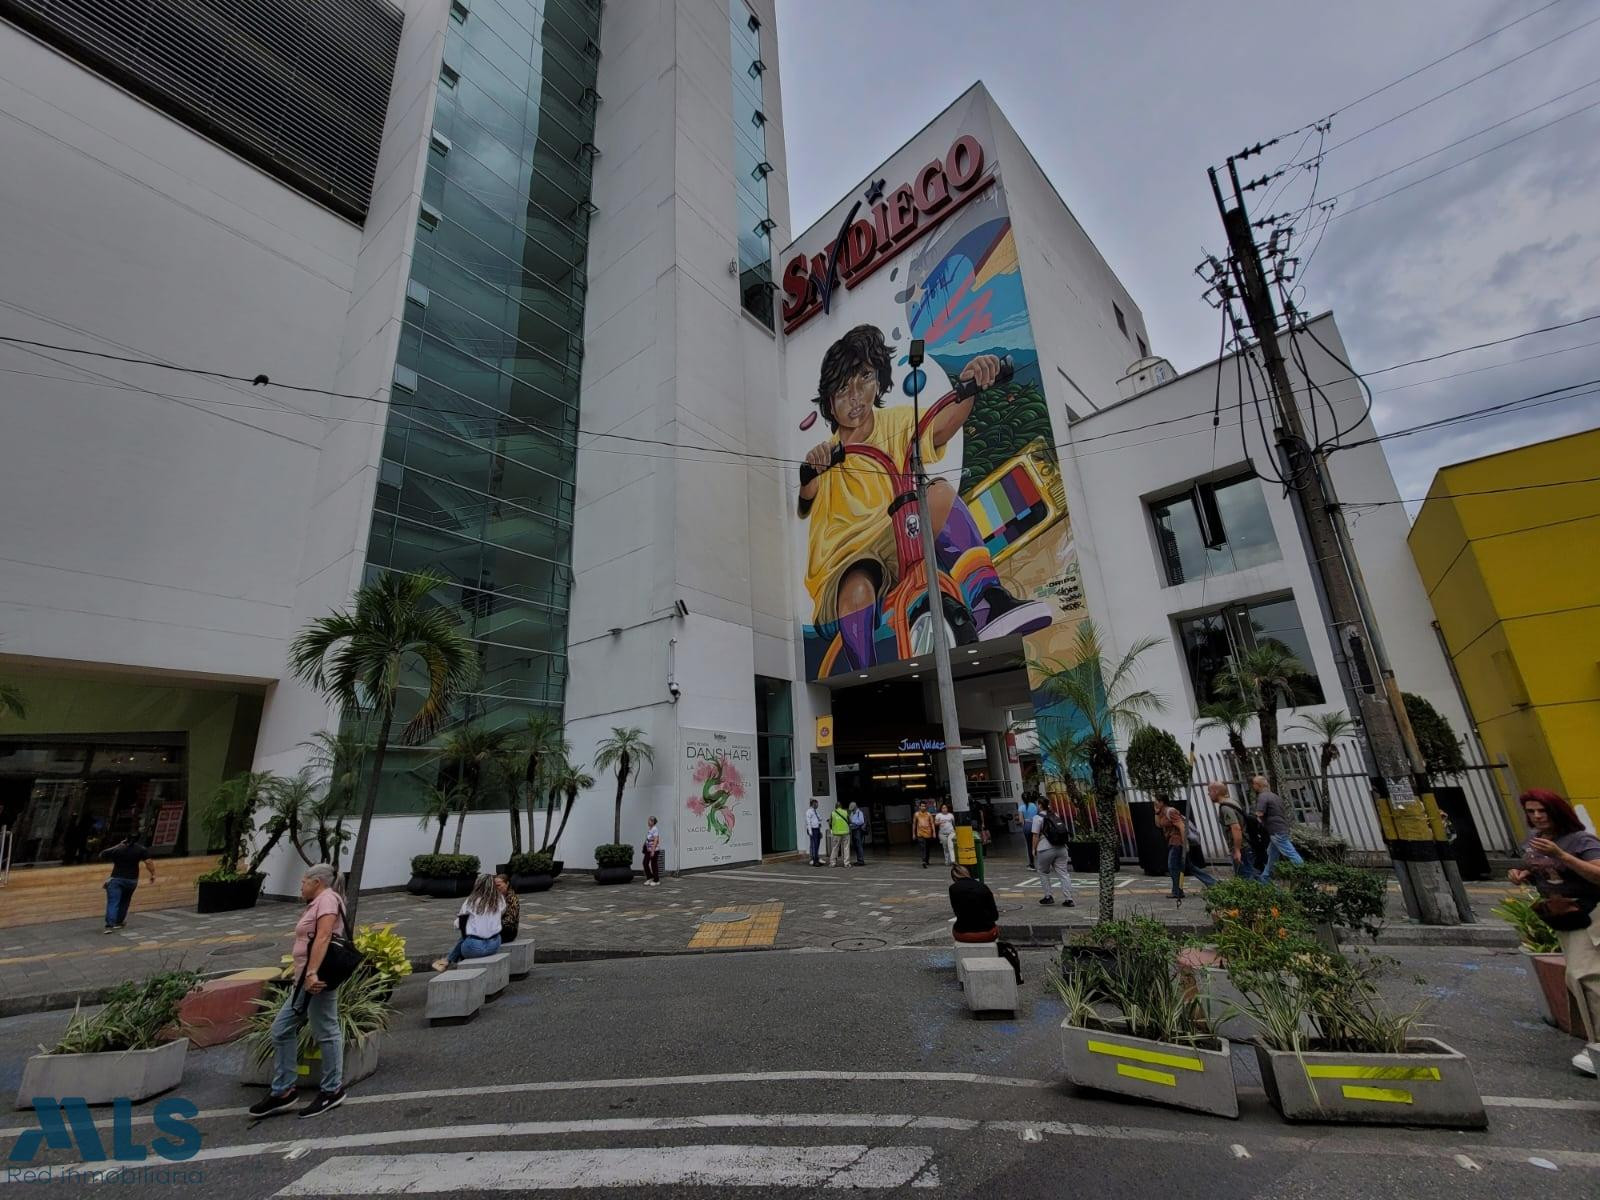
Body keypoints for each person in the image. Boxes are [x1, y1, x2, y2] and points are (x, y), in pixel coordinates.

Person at [797, 326, 1051, 670]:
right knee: (858, 586)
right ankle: (868, 674)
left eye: (864, 378)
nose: (855, 395)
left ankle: (988, 600)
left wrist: (970, 385)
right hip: (842, 564)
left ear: (878, 380)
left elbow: (942, 426)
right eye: (843, 388)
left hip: (896, 535)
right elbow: (806, 496)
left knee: (941, 492)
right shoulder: (828, 453)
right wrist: (812, 470)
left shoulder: (897, 422)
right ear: (829, 400)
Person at [1509, 789, 1600, 1076]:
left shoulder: (1580, 840)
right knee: (1581, 978)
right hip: (1563, 918)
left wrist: (1561, 855)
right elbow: (1540, 870)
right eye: (1531, 812)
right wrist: (1521, 875)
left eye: (1542, 811)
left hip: (1591, 913)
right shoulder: (1535, 842)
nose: (1536, 817)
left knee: (1585, 976)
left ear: (1556, 811)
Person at [247, 864, 346, 1119]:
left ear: (317, 882)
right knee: (281, 1029)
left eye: (303, 881)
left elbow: (323, 937)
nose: (300, 886)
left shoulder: (327, 900)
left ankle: (332, 1089)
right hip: (304, 979)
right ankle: (283, 1091)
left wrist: (312, 972)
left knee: (326, 1030)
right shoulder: (319, 901)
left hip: (318, 978)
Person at [433, 874, 506, 971]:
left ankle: (448, 961)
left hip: (474, 948)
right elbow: (501, 913)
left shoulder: (471, 901)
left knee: (465, 936)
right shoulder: (500, 899)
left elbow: (458, 924)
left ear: (478, 884)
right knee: (471, 934)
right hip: (494, 945)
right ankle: (447, 960)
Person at [1156, 797, 1218, 899]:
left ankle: (1177, 891)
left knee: (1172, 867)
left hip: (1177, 842)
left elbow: (1181, 826)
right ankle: (1213, 884)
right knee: (1190, 867)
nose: (1155, 804)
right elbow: (1158, 824)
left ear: (1162, 802)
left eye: (1157, 802)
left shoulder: (1171, 811)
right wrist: (1157, 813)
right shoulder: (1162, 813)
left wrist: (1185, 844)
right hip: (1172, 842)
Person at [100, 835, 156, 933]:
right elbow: (148, 862)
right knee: (125, 901)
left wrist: (118, 845)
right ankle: (118, 922)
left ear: (125, 839)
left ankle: (109, 925)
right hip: (131, 880)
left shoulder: (118, 849)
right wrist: (153, 874)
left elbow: (102, 854)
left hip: (116, 879)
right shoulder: (141, 849)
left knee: (113, 902)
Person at [1252, 775, 1303, 881]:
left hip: (1275, 831)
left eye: (1254, 784)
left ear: (1258, 785)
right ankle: (1265, 878)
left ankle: (1305, 874)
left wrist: (1257, 820)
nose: (1253, 786)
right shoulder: (1274, 796)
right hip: (1281, 828)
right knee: (1272, 854)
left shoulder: (1262, 796)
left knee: (1291, 853)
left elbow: (1259, 814)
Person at [1209, 781, 1257, 879]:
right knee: (1248, 875)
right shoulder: (1232, 802)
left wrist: (1237, 850)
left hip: (1242, 847)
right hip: (1245, 845)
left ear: (1216, 791)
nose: (1208, 794)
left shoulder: (1225, 807)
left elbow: (1236, 828)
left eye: (1209, 791)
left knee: (1247, 876)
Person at [1033, 796, 1075, 907]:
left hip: (1045, 848)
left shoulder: (1037, 818)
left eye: (1037, 804)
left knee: (1043, 871)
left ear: (1040, 805)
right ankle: (1069, 899)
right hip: (1061, 847)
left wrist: (1034, 849)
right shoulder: (1055, 815)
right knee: (1063, 873)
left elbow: (1035, 836)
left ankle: (1048, 896)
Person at [948, 864, 999, 943]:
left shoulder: (953, 888)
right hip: (988, 933)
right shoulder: (983, 886)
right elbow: (995, 916)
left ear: (954, 878)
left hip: (963, 934)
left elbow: (957, 912)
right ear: (968, 874)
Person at [1017, 793, 1040, 869]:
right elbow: (1037, 815)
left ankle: (1031, 864)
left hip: (1027, 825)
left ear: (1022, 799)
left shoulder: (1021, 807)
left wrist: (1024, 826)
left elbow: (1021, 820)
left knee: (1029, 845)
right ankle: (1041, 862)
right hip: (1035, 825)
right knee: (1037, 843)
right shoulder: (1034, 805)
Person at [913, 801, 938, 868]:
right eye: (922, 806)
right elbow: (914, 824)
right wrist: (913, 834)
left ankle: (926, 860)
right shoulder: (916, 814)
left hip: (928, 833)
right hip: (920, 833)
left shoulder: (929, 814)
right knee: (922, 847)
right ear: (919, 807)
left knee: (927, 848)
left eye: (924, 806)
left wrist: (934, 833)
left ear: (926, 807)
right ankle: (923, 860)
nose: (923, 807)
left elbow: (932, 824)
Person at [495, 874, 520, 942]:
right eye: (495, 886)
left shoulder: (512, 898)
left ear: (507, 884)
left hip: (508, 931)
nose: (496, 888)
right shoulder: (496, 897)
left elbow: (510, 920)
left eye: (499, 885)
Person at [828, 800, 851, 867]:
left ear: (836, 806)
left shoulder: (833, 813)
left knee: (835, 848)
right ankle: (846, 863)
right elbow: (850, 821)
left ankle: (832, 863)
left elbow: (829, 823)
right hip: (846, 833)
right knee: (846, 848)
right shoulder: (845, 812)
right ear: (841, 806)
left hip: (836, 833)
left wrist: (832, 828)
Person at [643, 816, 663, 886]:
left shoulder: (655, 829)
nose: (648, 822)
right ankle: (650, 878)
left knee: (653, 864)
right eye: (648, 820)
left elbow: (656, 840)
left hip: (654, 850)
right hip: (648, 850)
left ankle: (656, 880)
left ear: (653, 822)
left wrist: (653, 850)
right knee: (645, 863)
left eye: (650, 821)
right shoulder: (650, 829)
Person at [848, 801, 867, 866]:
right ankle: (859, 860)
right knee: (855, 846)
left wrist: (853, 822)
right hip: (853, 830)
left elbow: (861, 821)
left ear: (855, 807)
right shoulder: (852, 813)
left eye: (852, 808)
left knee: (859, 845)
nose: (852, 809)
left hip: (858, 830)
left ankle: (861, 861)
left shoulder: (860, 813)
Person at [806, 798, 823, 866]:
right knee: (814, 845)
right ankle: (814, 859)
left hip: (817, 829)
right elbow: (808, 822)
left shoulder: (815, 811)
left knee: (817, 845)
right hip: (813, 829)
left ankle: (816, 858)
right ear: (813, 804)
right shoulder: (809, 811)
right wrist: (810, 831)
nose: (818, 805)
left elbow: (820, 818)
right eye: (817, 803)